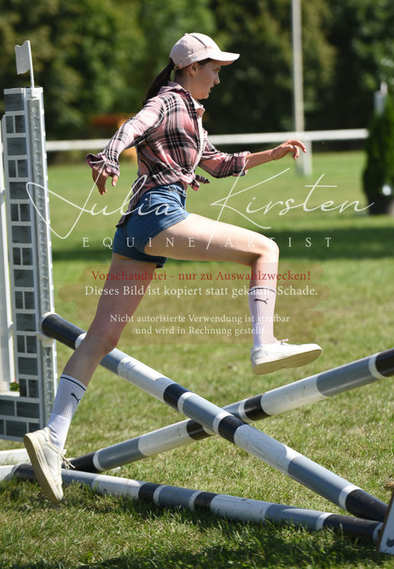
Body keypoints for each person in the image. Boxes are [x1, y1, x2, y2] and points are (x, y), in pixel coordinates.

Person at [24, 33, 322, 503]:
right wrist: (109, 157)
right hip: (159, 213)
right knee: (265, 249)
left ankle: (51, 438)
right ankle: (264, 344)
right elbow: (132, 126)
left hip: (135, 227)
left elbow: (219, 164)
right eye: (214, 69)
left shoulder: (193, 114)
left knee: (100, 339)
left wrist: (275, 153)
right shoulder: (167, 101)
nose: (218, 78)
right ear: (191, 67)